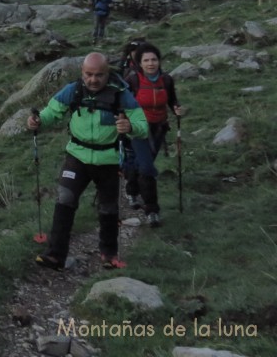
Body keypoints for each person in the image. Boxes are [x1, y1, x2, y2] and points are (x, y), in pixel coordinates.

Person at [27, 52, 148, 270]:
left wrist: (130, 127)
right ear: (82, 72)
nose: (93, 80)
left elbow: (142, 125)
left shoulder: (121, 94)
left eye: (99, 75)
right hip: (77, 155)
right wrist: (38, 121)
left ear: (107, 73)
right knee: (65, 199)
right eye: (89, 74)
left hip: (109, 160)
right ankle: (55, 255)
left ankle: (109, 254)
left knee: (109, 208)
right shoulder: (72, 90)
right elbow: (51, 113)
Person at [121, 42, 185, 227]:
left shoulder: (166, 80)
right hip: (138, 129)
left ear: (159, 61)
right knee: (147, 168)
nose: (151, 63)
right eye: (146, 60)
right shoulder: (132, 80)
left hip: (159, 129)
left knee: (141, 165)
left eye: (154, 59)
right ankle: (152, 210)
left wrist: (177, 109)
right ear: (139, 63)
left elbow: (172, 100)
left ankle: (132, 190)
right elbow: (122, 102)